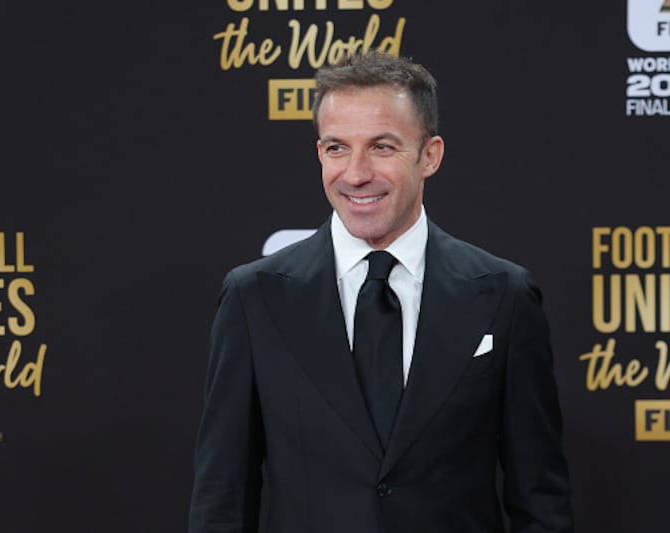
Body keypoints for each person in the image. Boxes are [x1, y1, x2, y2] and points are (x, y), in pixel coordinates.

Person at [189, 50, 573, 533]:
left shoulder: (504, 296)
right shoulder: (254, 298)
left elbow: (540, 501)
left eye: (382, 147)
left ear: (430, 155)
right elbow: (222, 501)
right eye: (337, 148)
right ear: (320, 154)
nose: (356, 173)